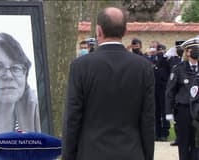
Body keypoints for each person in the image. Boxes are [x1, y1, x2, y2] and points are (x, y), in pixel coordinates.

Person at [62, 7, 155, 160]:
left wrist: (68, 156)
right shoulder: (143, 67)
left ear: (98, 31)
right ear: (125, 31)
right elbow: (148, 120)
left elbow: (73, 117)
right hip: (131, 152)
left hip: (91, 152)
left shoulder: (81, 66)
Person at [166, 36, 199, 160]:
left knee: (197, 144)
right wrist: (169, 112)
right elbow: (170, 91)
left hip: (198, 112)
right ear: (187, 52)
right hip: (183, 110)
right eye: (193, 49)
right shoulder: (179, 69)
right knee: (184, 143)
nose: (196, 51)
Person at [153, 43, 170, 141]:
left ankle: (165, 133)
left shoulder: (167, 60)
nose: (159, 52)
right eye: (158, 50)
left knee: (164, 112)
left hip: (164, 89)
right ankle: (157, 133)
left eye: (161, 50)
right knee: (156, 112)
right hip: (155, 89)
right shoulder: (154, 60)